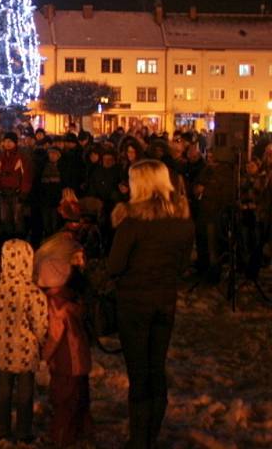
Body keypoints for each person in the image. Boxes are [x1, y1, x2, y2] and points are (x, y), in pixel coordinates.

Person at [108, 159, 193, 448]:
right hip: (164, 301)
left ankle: (139, 439)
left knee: (139, 373)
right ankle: (152, 433)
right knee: (157, 366)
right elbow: (183, 264)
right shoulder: (182, 220)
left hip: (134, 304)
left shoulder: (132, 223)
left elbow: (115, 265)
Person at [0, 238, 48, 442]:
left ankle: (1, 428)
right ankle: (23, 431)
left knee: (3, 390)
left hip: (2, 350)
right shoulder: (34, 293)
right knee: (25, 393)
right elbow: (40, 324)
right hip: (25, 352)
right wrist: (41, 341)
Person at [38, 252, 94, 448]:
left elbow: (54, 336)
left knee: (62, 403)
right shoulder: (73, 299)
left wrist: (42, 357)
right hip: (81, 361)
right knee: (80, 400)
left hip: (66, 363)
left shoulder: (55, 306)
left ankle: (60, 439)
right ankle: (84, 432)